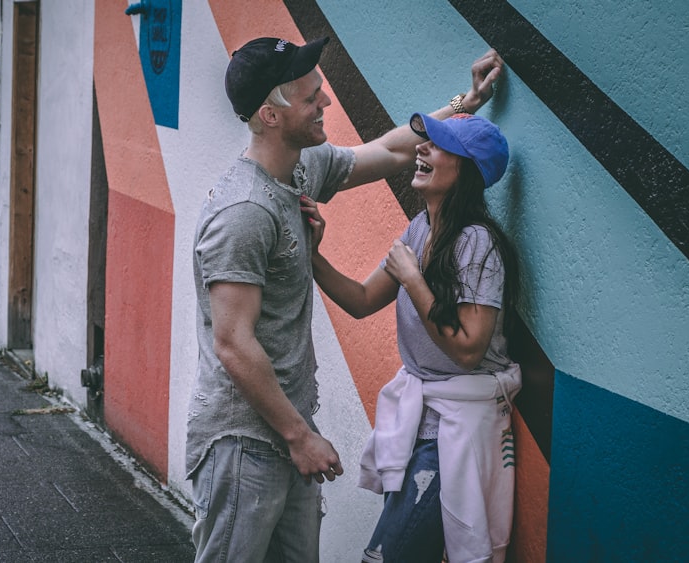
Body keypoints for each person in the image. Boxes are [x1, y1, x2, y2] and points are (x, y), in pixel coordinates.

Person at [188, 34, 504, 563]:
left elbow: (391, 149)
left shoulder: (301, 170)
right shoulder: (243, 211)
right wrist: (299, 437)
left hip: (288, 432)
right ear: (270, 114)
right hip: (245, 441)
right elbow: (233, 344)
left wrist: (462, 106)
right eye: (312, 97)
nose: (326, 102)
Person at [300, 112, 520, 562]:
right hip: (418, 426)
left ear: (467, 170)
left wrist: (414, 280)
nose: (421, 149)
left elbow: (468, 349)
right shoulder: (419, 228)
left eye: (436, 146)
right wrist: (313, 254)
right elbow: (362, 300)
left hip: (456, 433)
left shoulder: (477, 243)